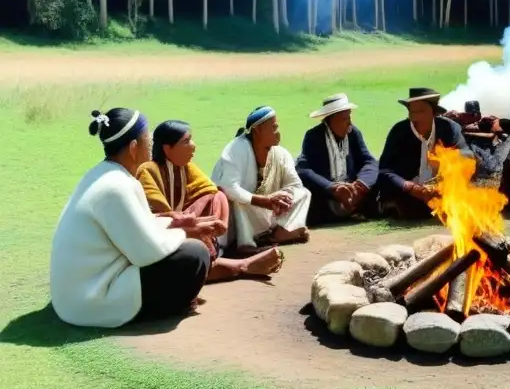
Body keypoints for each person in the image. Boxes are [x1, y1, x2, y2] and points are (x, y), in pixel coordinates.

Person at [50, 108, 210, 328]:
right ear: (134, 148)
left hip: (74, 299)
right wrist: (183, 232)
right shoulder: (116, 187)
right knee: (195, 254)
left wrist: (174, 223)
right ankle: (171, 305)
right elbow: (147, 253)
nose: (152, 144)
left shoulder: (103, 175)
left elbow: (139, 226)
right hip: (91, 303)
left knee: (187, 250)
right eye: (148, 139)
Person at [138, 120, 284, 280]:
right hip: (162, 234)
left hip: (182, 225)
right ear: (167, 148)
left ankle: (221, 252)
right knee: (194, 254)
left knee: (218, 195)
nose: (193, 146)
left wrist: (205, 220)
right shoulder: (148, 170)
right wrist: (194, 224)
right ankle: (242, 265)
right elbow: (161, 213)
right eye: (186, 141)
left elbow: (209, 190)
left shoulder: (185, 167)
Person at [211, 106, 311, 252]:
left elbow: (295, 184)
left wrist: (280, 199)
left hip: (270, 211)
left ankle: (276, 235)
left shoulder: (281, 154)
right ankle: (246, 244)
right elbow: (227, 187)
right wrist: (264, 201)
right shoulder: (236, 149)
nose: (278, 133)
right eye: (274, 128)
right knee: (239, 199)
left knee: (304, 193)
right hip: (241, 213)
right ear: (258, 130)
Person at [375, 87, 471, 219]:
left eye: (421, 111)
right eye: (412, 112)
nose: (415, 117)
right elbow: (385, 171)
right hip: (411, 194)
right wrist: (410, 187)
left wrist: (446, 164)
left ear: (433, 112)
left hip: (444, 190)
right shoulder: (399, 132)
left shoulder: (449, 128)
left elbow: (467, 155)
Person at [296, 93, 380, 226]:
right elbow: (303, 169)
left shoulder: (353, 133)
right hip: (328, 194)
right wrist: (332, 187)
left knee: (380, 174)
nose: (349, 122)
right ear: (331, 119)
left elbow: (369, 161)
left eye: (349, 116)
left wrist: (361, 185)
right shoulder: (313, 136)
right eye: (345, 118)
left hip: (353, 190)